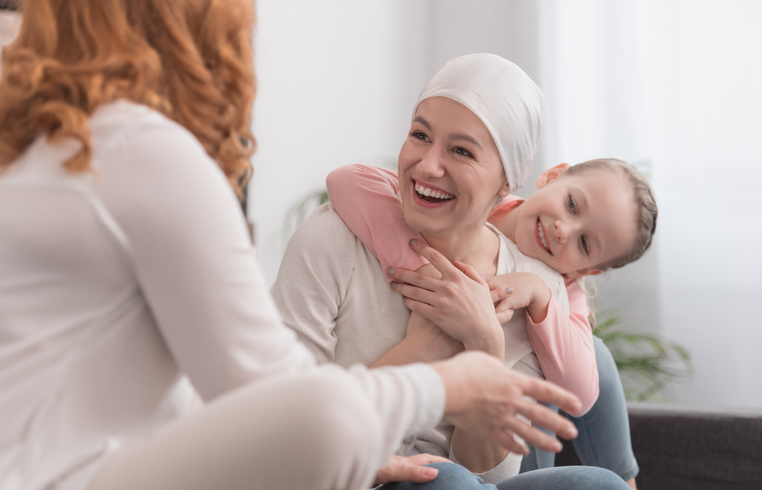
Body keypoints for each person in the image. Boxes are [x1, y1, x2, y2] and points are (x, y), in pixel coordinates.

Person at [0, 1, 613, 489]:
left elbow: (227, 400)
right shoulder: (138, 149)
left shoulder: (25, 153)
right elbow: (285, 404)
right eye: (421, 134)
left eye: (462, 150)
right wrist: (447, 379)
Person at [270, 54, 634, 487]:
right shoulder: (331, 239)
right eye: (420, 135)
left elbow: (490, 475)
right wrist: (421, 352)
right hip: (338, 473)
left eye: (461, 150)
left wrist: (484, 343)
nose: (427, 166)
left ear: (506, 184)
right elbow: (283, 428)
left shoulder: (531, 290)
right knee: (448, 481)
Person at [326, 157, 656, 487]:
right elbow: (346, 178)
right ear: (552, 175)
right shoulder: (476, 201)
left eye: (584, 243)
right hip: (447, 452)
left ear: (587, 271)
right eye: (571, 204)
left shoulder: (561, 283)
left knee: (592, 355)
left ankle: (628, 481)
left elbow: (582, 396)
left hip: (504, 453)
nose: (563, 230)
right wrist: (423, 270)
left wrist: (539, 295)